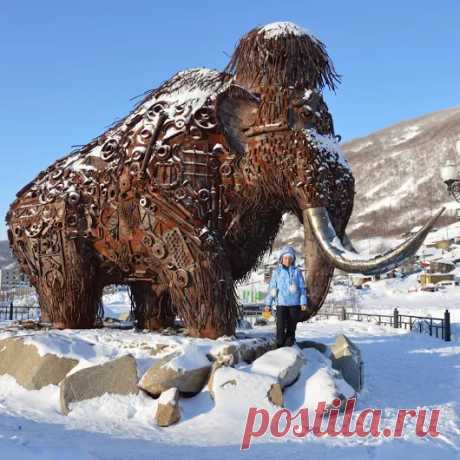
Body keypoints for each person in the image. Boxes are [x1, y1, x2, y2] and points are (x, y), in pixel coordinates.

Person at [265, 246, 308, 347]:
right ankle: (279, 346)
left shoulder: (297, 272)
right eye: (285, 258)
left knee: (291, 327)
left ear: (293, 259)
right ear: (281, 259)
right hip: (281, 303)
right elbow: (272, 288)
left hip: (294, 304)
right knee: (280, 327)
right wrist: (268, 304)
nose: (287, 260)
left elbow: (302, 288)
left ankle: (289, 347)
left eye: (290, 258)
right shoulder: (277, 272)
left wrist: (303, 302)